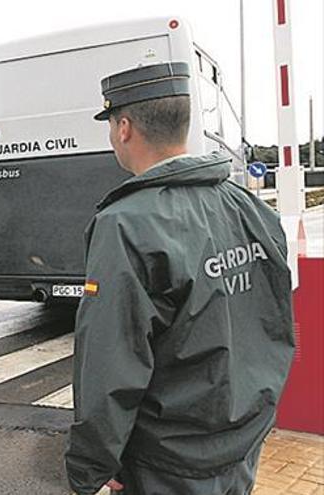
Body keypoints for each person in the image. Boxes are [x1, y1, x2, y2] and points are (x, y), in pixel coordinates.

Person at [65, 62, 294, 495]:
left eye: (111, 126)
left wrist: (91, 466)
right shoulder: (249, 207)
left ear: (125, 128)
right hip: (241, 444)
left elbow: (111, 361)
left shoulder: (126, 224)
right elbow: (274, 320)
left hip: (168, 463)